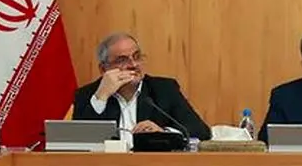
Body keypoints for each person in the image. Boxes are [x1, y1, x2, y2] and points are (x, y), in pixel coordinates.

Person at [72, 32, 211, 142]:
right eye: (122, 60)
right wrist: (101, 97)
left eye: (137, 56)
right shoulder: (87, 94)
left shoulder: (164, 89)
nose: (133, 65)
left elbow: (201, 132)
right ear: (103, 69)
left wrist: (163, 133)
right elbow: (78, 140)